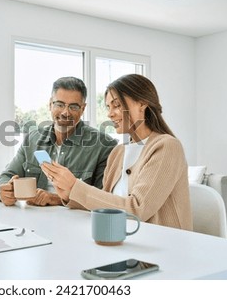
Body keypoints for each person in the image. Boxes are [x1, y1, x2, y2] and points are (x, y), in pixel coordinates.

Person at [41, 74, 192, 230]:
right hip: (121, 240)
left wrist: (75, 186)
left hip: (162, 246)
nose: (110, 113)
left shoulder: (167, 147)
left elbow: (137, 209)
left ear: (142, 104)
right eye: (108, 107)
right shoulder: (117, 152)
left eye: (117, 105)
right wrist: (68, 195)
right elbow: (104, 203)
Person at [0, 76, 117, 206]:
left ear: (83, 109)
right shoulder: (32, 139)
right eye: (59, 104)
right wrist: (3, 191)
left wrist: (56, 199)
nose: (65, 112)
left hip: (77, 223)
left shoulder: (104, 145)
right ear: (50, 104)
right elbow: (6, 176)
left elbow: (103, 198)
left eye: (74, 106)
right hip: (32, 220)